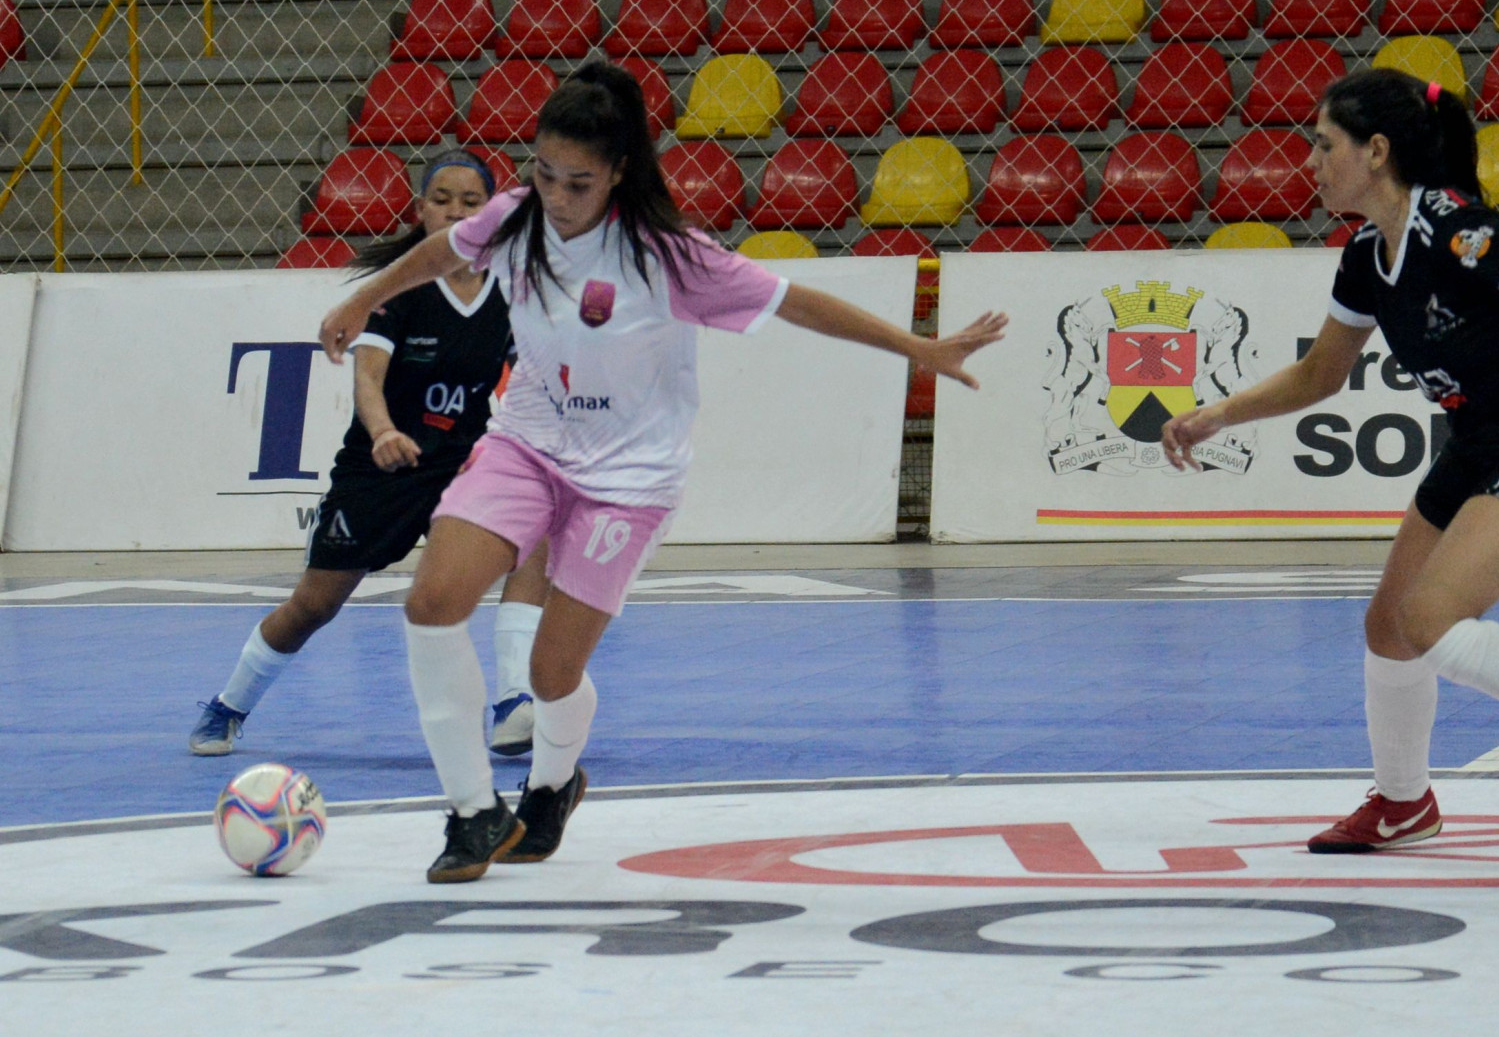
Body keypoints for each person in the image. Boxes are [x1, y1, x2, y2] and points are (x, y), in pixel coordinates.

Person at [318, 62, 1008, 884]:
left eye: (578, 181)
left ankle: (551, 784)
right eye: (543, 172)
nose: (557, 193)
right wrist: (364, 298)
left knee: (550, 672)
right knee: (432, 601)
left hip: (628, 477)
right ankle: (471, 812)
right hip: (527, 445)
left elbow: (795, 302)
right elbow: (443, 249)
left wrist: (918, 347)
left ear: (618, 174)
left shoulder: (669, 255)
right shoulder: (512, 217)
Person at [1162, 68, 1499, 856]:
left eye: (1322, 144)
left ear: (1375, 151)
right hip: (1482, 442)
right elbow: (1318, 375)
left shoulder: (1455, 230)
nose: (1310, 161)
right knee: (1388, 628)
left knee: (1430, 617)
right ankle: (1404, 804)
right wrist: (1216, 415)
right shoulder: (1367, 256)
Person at [191, 150, 551, 759]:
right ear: (420, 209)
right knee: (314, 605)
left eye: (470, 201)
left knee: (534, 533)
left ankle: (515, 701)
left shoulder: (512, 291)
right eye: (441, 199)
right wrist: (383, 431)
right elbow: (368, 377)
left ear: (490, 213)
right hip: (381, 469)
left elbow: (529, 374)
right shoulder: (399, 290)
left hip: (459, 463)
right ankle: (227, 706)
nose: (455, 210)